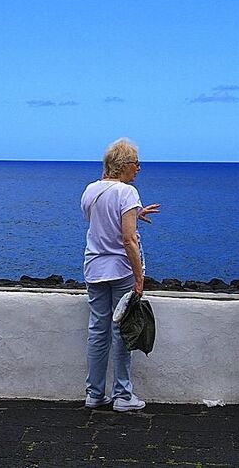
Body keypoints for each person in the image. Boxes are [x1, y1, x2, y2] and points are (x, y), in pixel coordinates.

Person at [80, 138, 160, 412]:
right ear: (125, 165)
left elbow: (101, 221)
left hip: (94, 267)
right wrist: (139, 278)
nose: (138, 168)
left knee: (97, 330)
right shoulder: (127, 192)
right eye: (136, 163)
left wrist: (136, 214)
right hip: (121, 269)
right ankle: (123, 395)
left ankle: (94, 393)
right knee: (123, 330)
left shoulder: (90, 190)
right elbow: (128, 240)